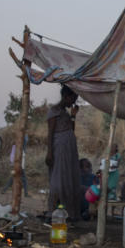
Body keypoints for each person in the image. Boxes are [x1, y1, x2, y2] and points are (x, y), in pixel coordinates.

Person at [46, 85, 82, 220]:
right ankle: (53, 211)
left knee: (68, 179)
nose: (73, 102)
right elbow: (50, 134)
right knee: (58, 180)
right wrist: (49, 152)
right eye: (72, 98)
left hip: (69, 150)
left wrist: (73, 117)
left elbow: (71, 129)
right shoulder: (54, 111)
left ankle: (68, 213)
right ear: (66, 96)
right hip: (59, 149)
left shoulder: (65, 112)